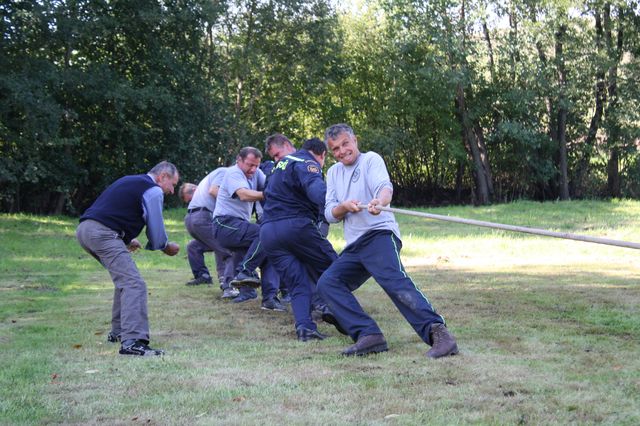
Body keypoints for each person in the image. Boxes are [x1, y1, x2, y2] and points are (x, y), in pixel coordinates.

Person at [317, 124, 459, 358]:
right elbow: (329, 214)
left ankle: (439, 334)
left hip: (379, 234)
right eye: (335, 149)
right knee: (328, 283)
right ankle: (368, 335)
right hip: (355, 245)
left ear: (355, 141)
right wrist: (343, 207)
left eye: (345, 144)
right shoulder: (333, 173)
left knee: (394, 283)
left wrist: (379, 202)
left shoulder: (371, 160)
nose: (342, 151)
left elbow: (385, 188)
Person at [76, 161, 180, 356]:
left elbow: (112, 209)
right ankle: (133, 341)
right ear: (163, 176)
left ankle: (118, 333)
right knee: (134, 284)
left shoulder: (130, 180)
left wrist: (126, 238)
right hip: (102, 234)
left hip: (85, 230)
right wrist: (165, 246)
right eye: (173, 184)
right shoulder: (153, 189)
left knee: (124, 281)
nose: (172, 191)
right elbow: (156, 230)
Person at [260, 138, 342, 341]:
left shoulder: (279, 165)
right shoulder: (307, 162)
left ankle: (305, 328)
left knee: (298, 282)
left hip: (268, 231)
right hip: (295, 226)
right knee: (337, 267)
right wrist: (336, 207)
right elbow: (315, 188)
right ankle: (340, 313)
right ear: (322, 155)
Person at [212, 147, 284, 311]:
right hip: (224, 224)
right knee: (265, 232)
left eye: (256, 166)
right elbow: (244, 194)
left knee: (271, 248)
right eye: (249, 165)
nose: (253, 169)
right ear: (239, 160)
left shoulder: (256, 173)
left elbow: (270, 185)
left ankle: (269, 299)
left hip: (239, 225)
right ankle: (245, 271)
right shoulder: (233, 173)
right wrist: (270, 194)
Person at [180, 173, 241, 299]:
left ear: (195, 190)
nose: (193, 201)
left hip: (191, 220)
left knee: (194, 246)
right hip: (202, 219)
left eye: (190, 200)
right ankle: (228, 285)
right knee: (228, 250)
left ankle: (205, 277)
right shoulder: (211, 184)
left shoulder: (221, 175)